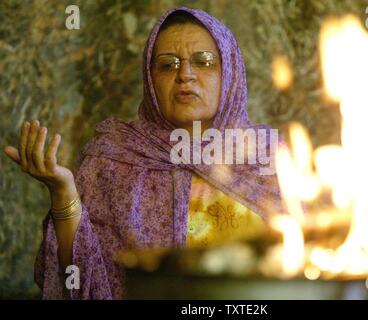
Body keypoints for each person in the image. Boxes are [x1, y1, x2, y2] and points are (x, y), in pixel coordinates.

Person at [4, 6, 283, 299]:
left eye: (204, 62)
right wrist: (63, 193)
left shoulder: (270, 158)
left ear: (231, 73)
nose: (185, 74)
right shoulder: (111, 160)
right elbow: (77, 284)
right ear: (150, 81)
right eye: (168, 65)